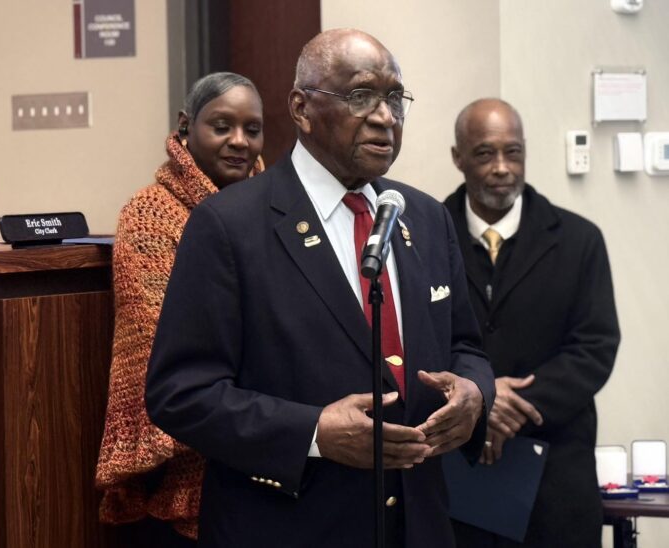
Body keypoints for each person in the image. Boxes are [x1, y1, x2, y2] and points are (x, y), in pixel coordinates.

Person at [145, 29, 495, 548]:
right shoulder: (229, 225)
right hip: (290, 525)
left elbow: (467, 347)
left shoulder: (423, 217)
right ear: (301, 109)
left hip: (419, 524)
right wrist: (313, 433)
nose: (385, 117)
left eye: (395, 98)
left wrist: (475, 395)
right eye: (361, 95)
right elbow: (180, 394)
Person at [95, 72, 264, 546]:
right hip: (191, 461)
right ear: (186, 126)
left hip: (272, 447)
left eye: (252, 129)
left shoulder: (274, 209)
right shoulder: (151, 213)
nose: (239, 141)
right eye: (222, 126)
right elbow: (160, 342)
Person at [444, 98, 620, 548]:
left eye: (513, 152)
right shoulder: (422, 237)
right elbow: (409, 340)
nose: (502, 168)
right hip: (455, 473)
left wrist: (508, 405)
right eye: (485, 153)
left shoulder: (580, 240)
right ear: (458, 157)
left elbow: (594, 347)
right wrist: (480, 397)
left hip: (555, 480)